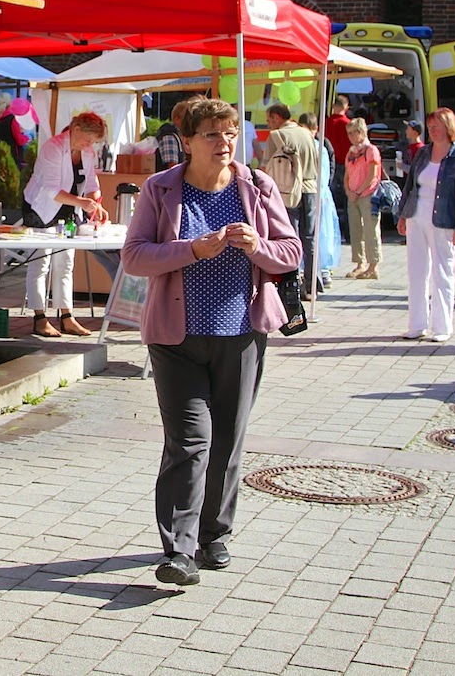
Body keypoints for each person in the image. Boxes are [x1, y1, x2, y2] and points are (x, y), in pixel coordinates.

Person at [122, 97, 301, 585]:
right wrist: (191, 250)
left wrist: (256, 245)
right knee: (188, 440)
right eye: (213, 134)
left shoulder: (257, 186)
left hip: (241, 335)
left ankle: (213, 532)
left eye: (231, 134)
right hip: (175, 338)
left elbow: (290, 252)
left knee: (227, 437)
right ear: (188, 142)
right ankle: (179, 549)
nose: (225, 143)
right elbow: (135, 256)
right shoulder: (160, 190)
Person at [23, 111, 109, 337]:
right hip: (40, 208)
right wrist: (84, 202)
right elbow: (51, 190)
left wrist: (97, 203)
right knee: (40, 264)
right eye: (88, 139)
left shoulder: (87, 152)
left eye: (93, 142)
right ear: (76, 129)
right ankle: (39, 317)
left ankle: (66, 316)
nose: (90, 145)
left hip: (68, 209)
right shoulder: (53, 147)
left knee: (66, 263)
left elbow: (92, 182)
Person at [396, 108, 455, 342]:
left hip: (444, 219)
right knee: (416, 271)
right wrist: (402, 215)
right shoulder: (422, 154)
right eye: (430, 126)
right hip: (416, 216)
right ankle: (417, 324)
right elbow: (410, 186)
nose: (432, 129)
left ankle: (442, 327)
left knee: (442, 272)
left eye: (437, 125)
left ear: (449, 127)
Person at [263, 104, 320, 299]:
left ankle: (292, 286)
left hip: (287, 192)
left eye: (270, 120)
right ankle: (313, 284)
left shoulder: (277, 136)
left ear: (277, 117)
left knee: (290, 240)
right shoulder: (307, 134)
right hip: (310, 188)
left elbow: (264, 168)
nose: (269, 125)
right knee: (309, 238)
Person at [298, 112, 335, 291]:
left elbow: (324, 172)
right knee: (316, 232)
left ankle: (323, 270)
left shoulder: (317, 147)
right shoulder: (320, 146)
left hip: (314, 192)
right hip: (318, 192)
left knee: (317, 232)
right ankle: (321, 270)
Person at [343, 118, 382, 280]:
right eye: (349, 133)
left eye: (354, 132)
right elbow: (346, 175)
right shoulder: (351, 152)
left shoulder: (370, 150)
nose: (351, 136)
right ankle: (359, 263)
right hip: (353, 195)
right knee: (355, 230)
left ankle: (373, 265)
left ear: (362, 132)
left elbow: (372, 174)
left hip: (368, 195)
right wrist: (348, 191)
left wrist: (358, 191)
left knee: (370, 230)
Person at [0, 92, 30, 164]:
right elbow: (19, 139)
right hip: (9, 157)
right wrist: (26, 138)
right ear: (10, 105)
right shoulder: (11, 119)